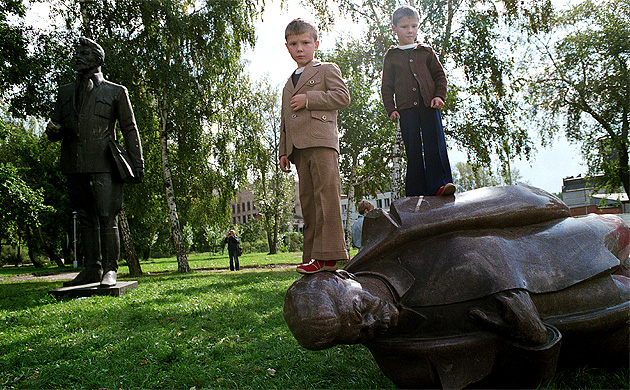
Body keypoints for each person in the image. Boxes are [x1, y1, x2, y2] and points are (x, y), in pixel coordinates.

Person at [47, 37, 144, 288]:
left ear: (97, 59)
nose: (77, 58)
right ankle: (92, 267)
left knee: (106, 215)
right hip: (74, 161)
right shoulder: (65, 91)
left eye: (84, 54)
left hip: (104, 162)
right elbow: (57, 124)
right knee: (85, 216)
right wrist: (54, 131)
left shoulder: (115, 91)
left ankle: (110, 268)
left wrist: (137, 163)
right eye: (77, 53)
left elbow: (129, 129)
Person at [278, 18, 351, 274]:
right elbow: (285, 120)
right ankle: (311, 257)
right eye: (294, 44)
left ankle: (329, 257)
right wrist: (284, 151)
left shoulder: (326, 69)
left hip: (322, 144)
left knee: (326, 198)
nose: (300, 48)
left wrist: (309, 98)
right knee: (308, 203)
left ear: (316, 44)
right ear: (287, 47)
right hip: (299, 150)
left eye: (305, 43)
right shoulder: (288, 83)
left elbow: (342, 97)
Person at [381, 5, 455, 197]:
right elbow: (386, 86)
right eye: (405, 26)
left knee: (435, 144)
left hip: (429, 105)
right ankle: (416, 190)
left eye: (414, 26)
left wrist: (439, 96)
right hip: (406, 109)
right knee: (413, 148)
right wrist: (391, 109)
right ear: (394, 28)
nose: (410, 30)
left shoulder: (425, 51)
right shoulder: (392, 56)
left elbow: (440, 76)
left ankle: (440, 184)